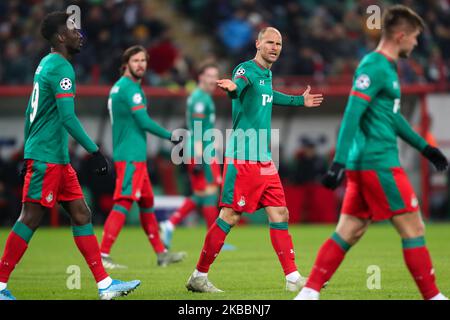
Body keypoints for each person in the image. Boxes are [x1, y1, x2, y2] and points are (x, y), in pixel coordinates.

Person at [295, 5, 449, 300]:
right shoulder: (374, 66)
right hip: (378, 163)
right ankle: (433, 297)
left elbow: (392, 117)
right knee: (414, 227)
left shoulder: (388, 68)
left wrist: (426, 148)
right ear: (401, 35)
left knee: (349, 230)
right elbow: (353, 113)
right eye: (414, 37)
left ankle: (309, 293)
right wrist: (337, 162)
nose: (416, 44)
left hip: (365, 164)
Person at [0, 12, 140, 300]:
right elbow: (68, 118)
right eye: (73, 30)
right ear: (61, 37)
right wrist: (95, 151)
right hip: (47, 157)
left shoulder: (46, 64)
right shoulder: (62, 67)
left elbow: (31, 113)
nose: (79, 34)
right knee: (30, 218)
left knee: (81, 213)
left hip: (55, 157)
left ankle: (104, 285)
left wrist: (30, 147)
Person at [185, 27, 324, 293]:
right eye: (270, 42)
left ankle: (292, 277)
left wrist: (298, 101)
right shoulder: (245, 69)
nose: (275, 47)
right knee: (230, 215)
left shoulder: (266, 75)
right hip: (242, 158)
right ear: (258, 43)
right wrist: (233, 87)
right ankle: (199, 276)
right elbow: (240, 85)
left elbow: (270, 96)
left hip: (264, 159)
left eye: (279, 43)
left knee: (280, 213)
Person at [99, 45, 186, 269]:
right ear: (126, 63)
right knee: (124, 201)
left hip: (133, 155)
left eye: (144, 61)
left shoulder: (119, 88)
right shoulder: (131, 89)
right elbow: (144, 122)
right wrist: (171, 136)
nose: (141, 65)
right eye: (136, 60)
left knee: (147, 204)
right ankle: (103, 254)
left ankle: (161, 253)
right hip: (130, 156)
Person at [159, 62, 234, 251]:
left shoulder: (204, 98)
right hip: (201, 152)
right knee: (207, 194)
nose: (212, 80)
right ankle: (213, 238)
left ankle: (171, 224)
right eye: (209, 75)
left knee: (203, 194)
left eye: (215, 76)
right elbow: (199, 131)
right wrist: (200, 159)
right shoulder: (200, 99)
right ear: (200, 77)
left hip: (204, 151)